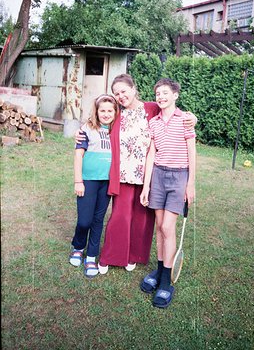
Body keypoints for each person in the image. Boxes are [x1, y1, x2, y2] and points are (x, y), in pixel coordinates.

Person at [75, 74, 197, 274]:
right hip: (123, 175)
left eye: (124, 91)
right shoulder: (117, 115)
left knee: (142, 220)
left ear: (133, 89)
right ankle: (110, 257)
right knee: (120, 217)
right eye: (117, 93)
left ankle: (133, 256)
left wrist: (193, 118)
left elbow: (174, 111)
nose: (121, 96)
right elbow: (97, 123)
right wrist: (80, 133)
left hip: (149, 177)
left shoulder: (151, 108)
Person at [140, 78, 196, 308]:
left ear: (175, 95)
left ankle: (166, 282)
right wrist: (146, 186)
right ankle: (161, 269)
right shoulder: (153, 122)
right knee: (160, 226)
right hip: (158, 177)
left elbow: (192, 153)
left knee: (167, 228)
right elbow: (151, 155)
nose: (160, 97)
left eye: (165, 93)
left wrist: (190, 184)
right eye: (157, 94)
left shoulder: (185, 120)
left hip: (178, 176)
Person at [69, 94, 119, 278]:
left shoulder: (117, 129)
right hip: (88, 181)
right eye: (102, 110)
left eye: (110, 111)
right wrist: (78, 181)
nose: (106, 114)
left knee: (98, 220)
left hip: (106, 182)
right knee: (85, 221)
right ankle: (78, 247)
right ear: (96, 112)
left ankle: (91, 256)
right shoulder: (87, 129)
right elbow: (78, 156)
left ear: (115, 112)